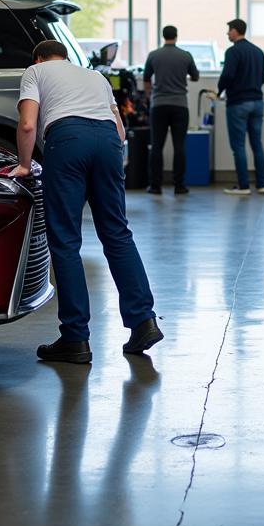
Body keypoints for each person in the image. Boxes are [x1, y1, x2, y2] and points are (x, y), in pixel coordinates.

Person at [11, 39, 162, 364]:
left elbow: (27, 123)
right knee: (117, 233)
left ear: (38, 57)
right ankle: (143, 321)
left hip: (67, 140)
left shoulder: (35, 72)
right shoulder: (94, 76)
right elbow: (121, 132)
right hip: (107, 142)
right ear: (66, 57)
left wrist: (24, 165)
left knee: (65, 241)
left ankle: (75, 338)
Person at [143, 25, 200, 196]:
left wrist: (149, 96)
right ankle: (179, 186)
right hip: (180, 105)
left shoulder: (153, 55)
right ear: (176, 36)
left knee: (156, 146)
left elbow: (146, 79)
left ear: (163, 36)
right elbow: (195, 77)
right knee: (179, 147)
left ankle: (155, 186)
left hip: (159, 105)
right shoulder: (185, 55)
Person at [217, 18, 264, 196]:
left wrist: (219, 90)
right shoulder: (258, 52)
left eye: (229, 30)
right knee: (257, 144)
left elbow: (227, 75)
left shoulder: (233, 52)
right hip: (258, 102)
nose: (228, 33)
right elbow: (262, 77)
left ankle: (244, 186)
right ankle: (261, 185)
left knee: (238, 146)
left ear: (236, 31)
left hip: (238, 103)